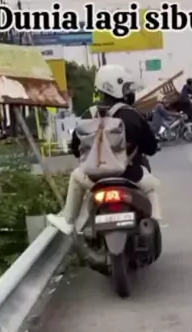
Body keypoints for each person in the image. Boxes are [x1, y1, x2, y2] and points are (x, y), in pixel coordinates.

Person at [47, 65, 161, 235]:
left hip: (94, 179)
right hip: (130, 176)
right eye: (125, 87)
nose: (128, 92)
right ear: (116, 86)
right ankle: (154, 226)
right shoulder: (132, 115)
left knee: (76, 177)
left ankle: (68, 220)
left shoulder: (89, 115)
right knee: (151, 188)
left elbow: (76, 148)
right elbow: (151, 147)